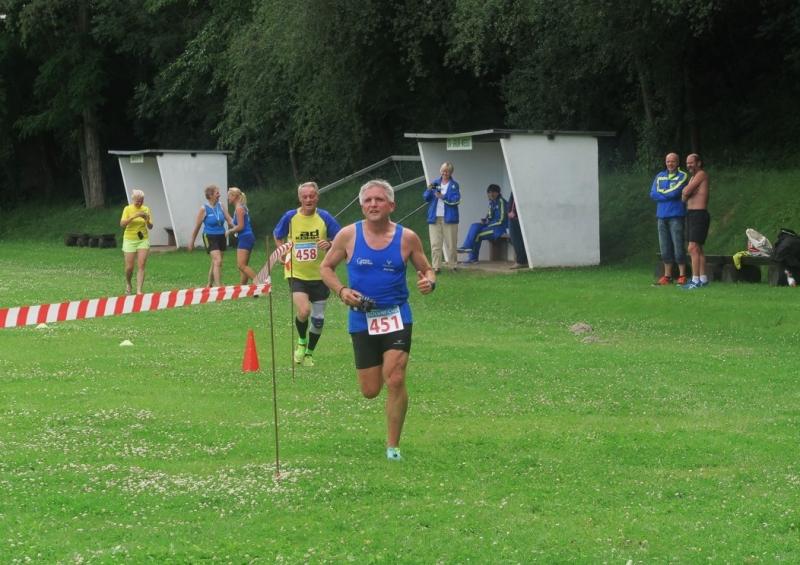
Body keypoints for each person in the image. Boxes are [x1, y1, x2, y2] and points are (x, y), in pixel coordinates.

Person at [320, 179, 436, 462]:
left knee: (395, 378)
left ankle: (393, 447)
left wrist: (429, 282)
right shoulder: (348, 235)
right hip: (362, 319)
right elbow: (326, 268)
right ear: (362, 206)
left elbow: (427, 269)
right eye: (368, 200)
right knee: (370, 390)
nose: (373, 204)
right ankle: (382, 390)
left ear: (391, 205)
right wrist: (342, 291)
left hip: (397, 315)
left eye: (379, 199)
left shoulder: (407, 238)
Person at [273, 182, 341, 368]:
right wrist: (282, 252)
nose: (309, 199)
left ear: (317, 197)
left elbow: (341, 238)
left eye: (312, 196)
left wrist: (330, 243)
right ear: (300, 198)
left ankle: (309, 353)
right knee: (304, 311)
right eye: (305, 197)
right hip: (296, 273)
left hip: (321, 275)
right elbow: (277, 235)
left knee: (318, 320)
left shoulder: (325, 217)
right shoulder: (290, 217)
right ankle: (302, 341)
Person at [650, 152, 689, 285]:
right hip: (661, 216)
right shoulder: (659, 176)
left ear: (677, 162)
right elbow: (652, 194)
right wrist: (666, 195)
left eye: (673, 161)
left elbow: (676, 193)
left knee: (678, 245)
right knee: (664, 246)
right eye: (668, 161)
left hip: (676, 215)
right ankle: (667, 276)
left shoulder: (682, 176)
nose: (670, 164)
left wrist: (661, 194)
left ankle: (682, 275)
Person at [188, 184, 234, 287]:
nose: (219, 195)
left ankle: (209, 283)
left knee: (215, 262)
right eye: (217, 193)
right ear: (210, 195)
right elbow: (197, 227)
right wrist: (192, 241)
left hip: (221, 236)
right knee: (218, 260)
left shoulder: (221, 206)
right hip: (209, 236)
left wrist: (238, 227)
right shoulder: (204, 209)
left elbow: (229, 219)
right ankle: (219, 286)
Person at [423, 161, 461, 273]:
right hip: (434, 217)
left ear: (451, 173)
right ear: (440, 170)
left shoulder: (454, 185)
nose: (445, 173)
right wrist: (429, 190)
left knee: (451, 244)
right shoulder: (435, 183)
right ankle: (436, 267)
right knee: (435, 244)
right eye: (443, 171)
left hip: (449, 218)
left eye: (447, 171)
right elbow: (425, 197)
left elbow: (456, 200)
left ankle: (453, 266)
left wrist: (442, 196)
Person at [681, 153, 711, 289]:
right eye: (687, 163)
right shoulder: (692, 177)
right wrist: (687, 192)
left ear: (698, 163)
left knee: (692, 247)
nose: (689, 165)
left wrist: (687, 192)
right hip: (691, 214)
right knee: (698, 248)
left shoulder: (701, 174)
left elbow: (686, 192)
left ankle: (695, 280)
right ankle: (703, 279)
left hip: (699, 214)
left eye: (691, 162)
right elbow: (684, 197)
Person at [458, 184, 508, 264]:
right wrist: (485, 220)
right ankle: (467, 247)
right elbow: (490, 217)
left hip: (499, 228)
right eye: (489, 192)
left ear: (498, 193)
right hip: (491, 226)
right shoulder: (492, 202)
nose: (491, 194)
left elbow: (502, 220)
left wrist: (488, 224)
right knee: (474, 225)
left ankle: (472, 257)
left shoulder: (501, 202)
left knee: (478, 235)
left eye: (493, 192)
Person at [119, 189, 153, 295]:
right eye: (137, 201)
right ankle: (129, 284)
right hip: (129, 239)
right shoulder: (127, 209)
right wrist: (135, 216)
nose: (139, 203)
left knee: (141, 265)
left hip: (142, 239)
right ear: (133, 200)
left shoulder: (146, 209)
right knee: (129, 267)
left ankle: (139, 290)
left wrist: (147, 219)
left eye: (141, 200)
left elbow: (150, 226)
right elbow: (122, 224)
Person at [225, 187, 258, 284]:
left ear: (234, 196)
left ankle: (259, 282)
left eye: (229, 196)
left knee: (241, 265)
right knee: (244, 265)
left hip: (245, 237)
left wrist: (229, 231)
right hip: (247, 237)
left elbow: (240, 226)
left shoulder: (239, 208)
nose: (228, 198)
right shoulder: (240, 207)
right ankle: (243, 287)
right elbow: (237, 224)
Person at [507, 192, 528, 269]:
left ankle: (521, 261)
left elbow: (514, 200)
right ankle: (521, 260)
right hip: (514, 216)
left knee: (516, 239)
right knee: (516, 239)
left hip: (515, 217)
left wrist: (512, 212)